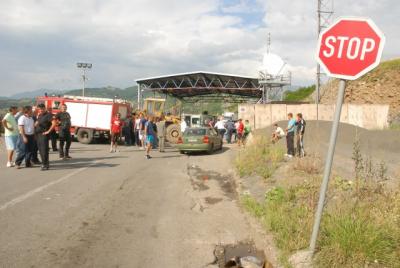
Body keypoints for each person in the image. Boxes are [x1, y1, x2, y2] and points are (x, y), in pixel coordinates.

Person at [35, 104, 56, 170]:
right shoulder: (40, 115)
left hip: (43, 135)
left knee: (44, 150)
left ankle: (45, 165)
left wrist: (48, 131)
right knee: (41, 150)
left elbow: (54, 123)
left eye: (42, 109)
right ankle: (45, 164)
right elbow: (37, 123)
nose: (41, 110)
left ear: (45, 108)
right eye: (39, 109)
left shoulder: (48, 115)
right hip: (37, 134)